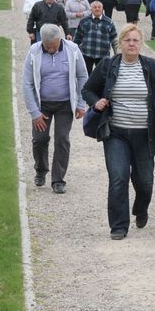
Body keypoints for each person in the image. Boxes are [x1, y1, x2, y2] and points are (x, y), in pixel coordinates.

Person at [81, 24, 155, 240]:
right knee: (118, 178)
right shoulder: (108, 65)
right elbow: (87, 89)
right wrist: (97, 102)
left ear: (141, 44)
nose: (131, 44)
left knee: (145, 182)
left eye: (135, 40)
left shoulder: (151, 66)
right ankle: (119, 226)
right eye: (127, 40)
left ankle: (141, 208)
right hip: (116, 133)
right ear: (120, 43)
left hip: (145, 134)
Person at [22, 23, 88, 194]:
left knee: (62, 139)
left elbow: (82, 76)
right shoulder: (34, 52)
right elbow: (27, 84)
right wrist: (34, 113)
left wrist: (81, 103)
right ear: (41, 41)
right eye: (48, 46)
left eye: (54, 46)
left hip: (65, 104)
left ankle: (58, 179)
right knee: (40, 139)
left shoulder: (72, 49)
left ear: (60, 39)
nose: (51, 49)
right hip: (42, 104)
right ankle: (40, 170)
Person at [74, 1, 119, 74]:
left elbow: (114, 40)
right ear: (91, 9)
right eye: (95, 7)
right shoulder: (84, 21)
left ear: (102, 9)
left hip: (103, 55)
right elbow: (77, 37)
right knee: (85, 76)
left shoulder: (109, 22)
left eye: (99, 7)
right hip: (86, 54)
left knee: (102, 78)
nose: (97, 9)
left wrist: (118, 54)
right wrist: (74, 52)